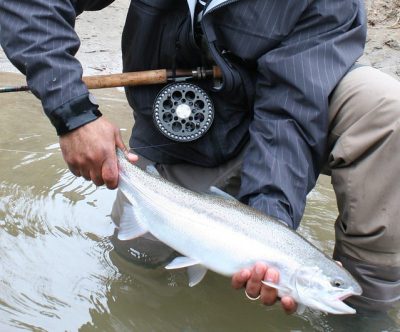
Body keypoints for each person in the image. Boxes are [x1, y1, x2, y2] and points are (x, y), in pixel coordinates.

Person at [1, 0, 399, 314]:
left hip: (293, 123)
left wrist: (269, 223)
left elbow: (289, 116)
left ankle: (366, 311)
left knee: (385, 109)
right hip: (181, 138)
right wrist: (74, 115)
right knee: (136, 267)